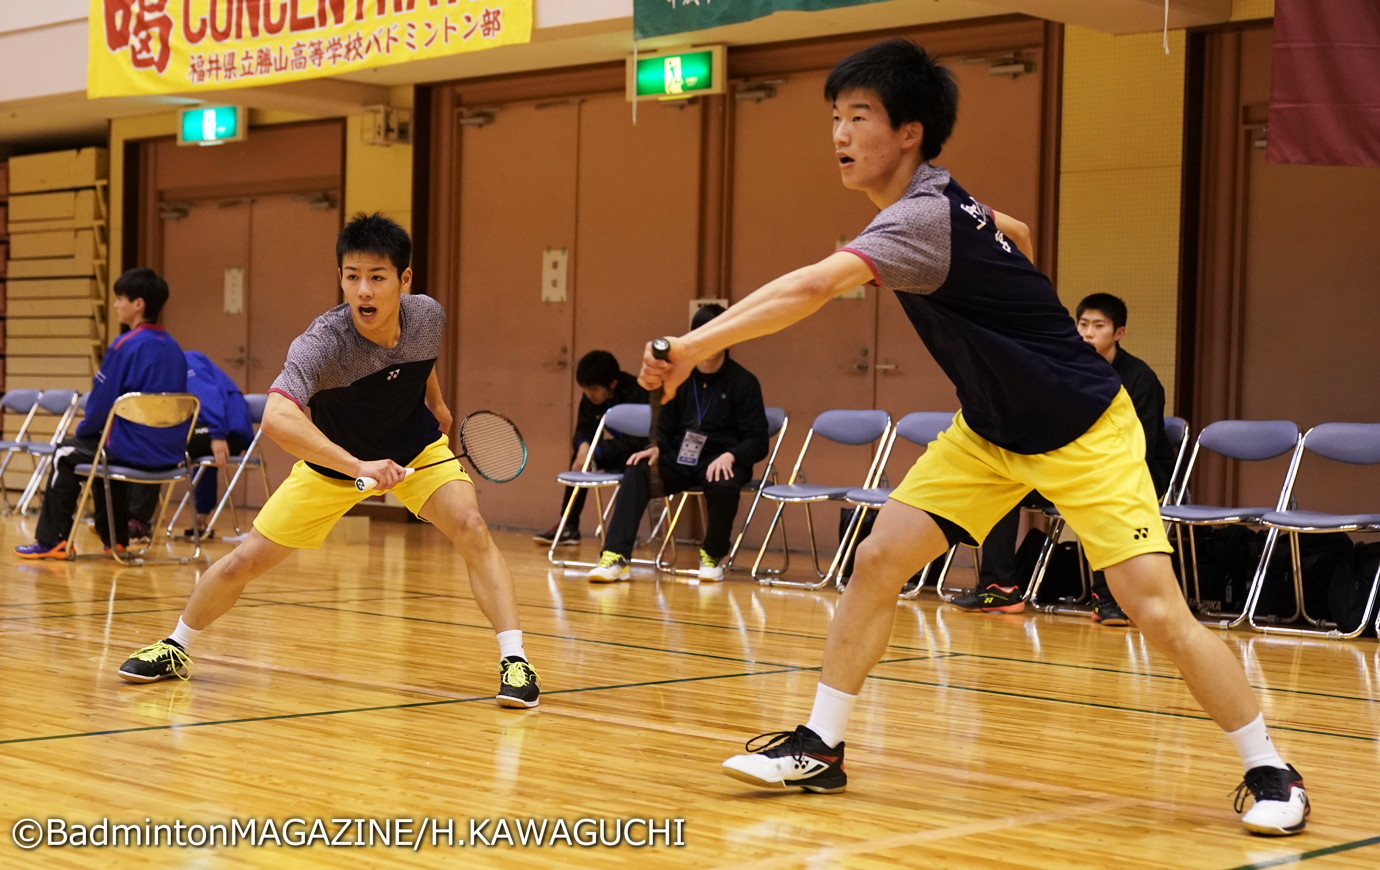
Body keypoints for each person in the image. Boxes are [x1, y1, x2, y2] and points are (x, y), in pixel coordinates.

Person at [639, 40, 1307, 835]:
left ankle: (1271, 769)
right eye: (835, 118)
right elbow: (1016, 229)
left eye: (858, 117)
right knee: (880, 558)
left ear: (910, 132)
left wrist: (683, 351)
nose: (839, 135)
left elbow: (812, 285)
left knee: (1155, 610)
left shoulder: (919, 220)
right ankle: (820, 745)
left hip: (1085, 429)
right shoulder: (944, 204)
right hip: (989, 434)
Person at [115, 213, 541, 709]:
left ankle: (516, 660)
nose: (363, 291)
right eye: (352, 276)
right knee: (245, 561)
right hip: (333, 466)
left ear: (404, 281)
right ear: (340, 277)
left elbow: (422, 358)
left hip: (417, 452)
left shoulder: (428, 316)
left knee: (470, 525)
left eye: (377, 278)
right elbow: (276, 418)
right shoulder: (323, 343)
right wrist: (358, 466)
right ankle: (176, 646)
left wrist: (437, 402)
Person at [951, 292, 1176, 625]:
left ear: (1118, 333)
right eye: (1082, 324)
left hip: (1128, 473)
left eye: (1098, 326)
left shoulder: (1140, 379)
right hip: (1064, 470)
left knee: (1095, 494)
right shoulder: (1067, 368)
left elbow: (1138, 445)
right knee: (1000, 489)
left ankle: (1110, 597)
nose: (1087, 333)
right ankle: (999, 587)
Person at [588, 304, 768, 583]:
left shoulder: (744, 382)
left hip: (721, 459)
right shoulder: (680, 376)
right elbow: (664, 424)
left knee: (724, 482)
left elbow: (757, 441)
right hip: (680, 458)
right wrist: (656, 445)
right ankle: (615, 556)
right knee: (638, 470)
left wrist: (732, 455)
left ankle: (712, 555)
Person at [14, 267, 187, 558]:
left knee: (66, 453)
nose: (117, 304)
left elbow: (99, 406)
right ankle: (116, 540)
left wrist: (82, 432)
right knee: (101, 453)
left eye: (120, 298)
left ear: (138, 304)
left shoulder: (124, 346)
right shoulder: (176, 351)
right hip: (168, 455)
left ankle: (52, 540)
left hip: (130, 449)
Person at [126, 350, 255, 541]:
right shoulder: (160, 373)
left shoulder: (186, 361)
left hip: (228, 430)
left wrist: (217, 434)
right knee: (149, 442)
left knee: (157, 445)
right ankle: (200, 515)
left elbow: (208, 396)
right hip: (211, 428)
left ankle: (136, 522)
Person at [533, 350, 647, 547]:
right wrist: (583, 447)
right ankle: (569, 526)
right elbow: (583, 430)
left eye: (593, 389)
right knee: (579, 460)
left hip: (639, 453)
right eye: (584, 389)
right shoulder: (590, 398)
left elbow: (635, 441)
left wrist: (596, 452)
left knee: (630, 464)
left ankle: (623, 533)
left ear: (612, 383)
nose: (588, 395)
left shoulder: (638, 392)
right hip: (615, 450)